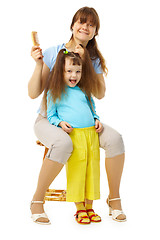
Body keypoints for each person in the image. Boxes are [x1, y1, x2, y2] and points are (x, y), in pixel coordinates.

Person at [29, 7, 126, 224]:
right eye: (81, 22)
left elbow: (99, 95)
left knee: (115, 139)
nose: (85, 27)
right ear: (72, 25)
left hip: (82, 121)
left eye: (91, 25)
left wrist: (88, 64)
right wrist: (38, 65)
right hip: (50, 119)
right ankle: (37, 200)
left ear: (94, 32)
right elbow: (33, 93)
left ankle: (114, 198)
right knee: (63, 143)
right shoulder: (55, 52)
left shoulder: (94, 59)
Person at [45, 49, 102, 224]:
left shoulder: (84, 90)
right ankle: (79, 208)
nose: (74, 75)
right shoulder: (55, 92)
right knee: (77, 171)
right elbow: (51, 116)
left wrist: (97, 119)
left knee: (92, 171)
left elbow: (92, 109)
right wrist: (60, 123)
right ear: (60, 72)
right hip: (74, 135)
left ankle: (90, 206)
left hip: (91, 134)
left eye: (78, 71)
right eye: (69, 71)